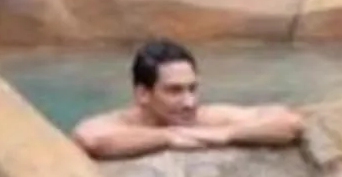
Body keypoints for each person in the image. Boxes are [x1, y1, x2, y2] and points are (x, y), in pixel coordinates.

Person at [70, 39, 307, 159]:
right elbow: (91, 139)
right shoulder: (120, 123)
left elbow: (289, 122)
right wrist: (167, 137)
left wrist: (224, 134)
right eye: (174, 91)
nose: (189, 102)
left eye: (192, 89)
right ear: (143, 94)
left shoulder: (205, 118)